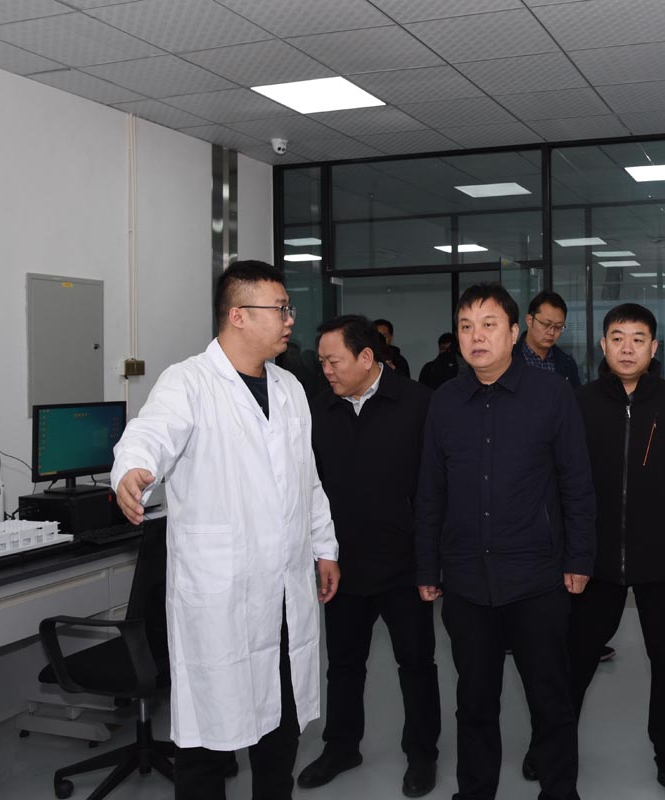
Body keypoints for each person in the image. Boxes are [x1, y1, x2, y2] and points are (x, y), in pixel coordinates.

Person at [111, 260, 340, 800]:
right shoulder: (188, 382)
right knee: (207, 744)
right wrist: (133, 470)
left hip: (284, 593)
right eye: (280, 308)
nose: (290, 319)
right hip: (223, 599)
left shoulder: (289, 388)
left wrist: (325, 546)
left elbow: (307, 480)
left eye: (288, 308)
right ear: (238, 315)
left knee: (280, 733)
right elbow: (149, 433)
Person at [415, 283, 596, 800]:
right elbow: (430, 488)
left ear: (514, 332)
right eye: (466, 326)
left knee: (550, 699)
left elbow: (576, 482)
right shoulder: (445, 402)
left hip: (537, 576)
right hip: (467, 580)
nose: (476, 336)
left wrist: (580, 557)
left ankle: (560, 792)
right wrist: (427, 565)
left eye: (489, 325)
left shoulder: (552, 394)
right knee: (474, 702)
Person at [567, 303, 665, 800]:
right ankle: (553, 746)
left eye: (638, 339)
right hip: (594, 560)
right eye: (617, 337)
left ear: (654, 348)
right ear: (603, 345)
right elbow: (557, 474)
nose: (627, 348)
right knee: (575, 660)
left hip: (660, 559)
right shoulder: (580, 403)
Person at [299, 315, 440, 797]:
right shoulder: (319, 410)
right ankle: (341, 747)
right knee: (343, 663)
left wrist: (431, 560)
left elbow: (435, 487)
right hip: (342, 564)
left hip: (405, 564)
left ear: (365, 357)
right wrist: (321, 553)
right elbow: (311, 488)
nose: (326, 371)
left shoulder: (417, 403)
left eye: (333, 361)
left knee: (416, 664)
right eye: (321, 362)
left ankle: (422, 753)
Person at [515, 290, 582, 388]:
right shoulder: (508, 358)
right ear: (529, 320)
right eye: (546, 324)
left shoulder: (567, 364)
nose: (551, 332)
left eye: (558, 327)